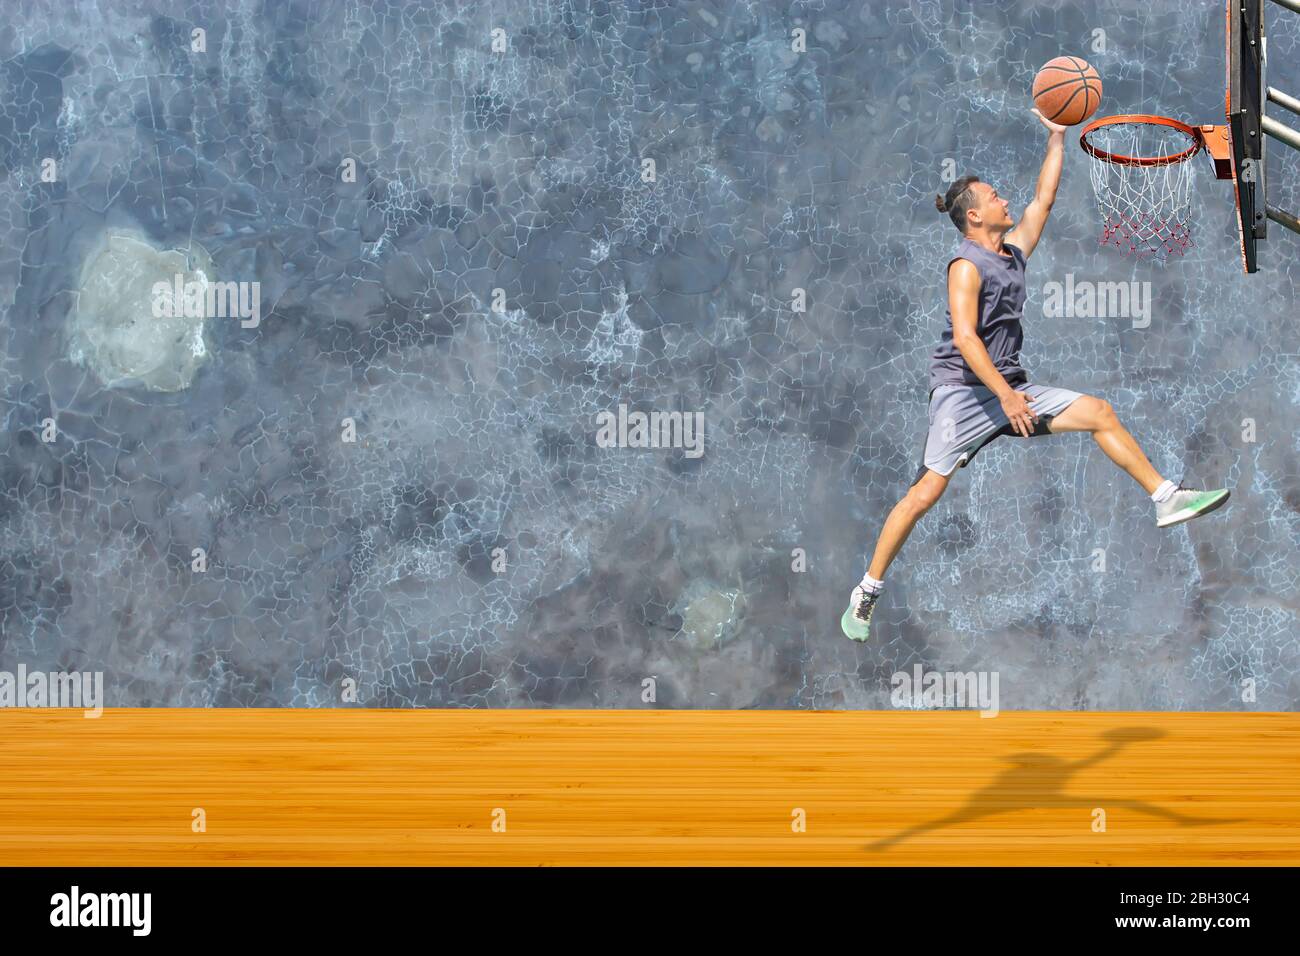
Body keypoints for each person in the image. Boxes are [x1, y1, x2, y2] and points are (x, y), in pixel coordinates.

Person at [841, 109, 1231, 642]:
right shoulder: (965, 267)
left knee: (1099, 412)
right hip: (965, 394)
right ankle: (867, 590)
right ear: (973, 217)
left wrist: (1057, 136)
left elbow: (1042, 200)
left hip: (1009, 388)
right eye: (994, 196)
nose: (1004, 199)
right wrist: (1005, 398)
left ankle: (1165, 498)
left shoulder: (1012, 253)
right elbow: (965, 339)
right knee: (924, 495)